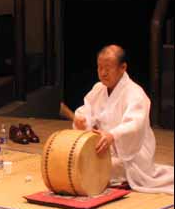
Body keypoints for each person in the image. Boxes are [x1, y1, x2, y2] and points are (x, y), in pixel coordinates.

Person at [73, 44, 173, 195]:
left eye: (108, 68)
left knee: (90, 167)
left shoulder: (135, 93)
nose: (103, 73)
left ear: (123, 67)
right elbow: (86, 111)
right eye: (99, 67)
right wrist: (81, 120)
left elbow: (134, 124)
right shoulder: (98, 89)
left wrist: (112, 135)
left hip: (132, 154)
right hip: (105, 149)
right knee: (76, 160)